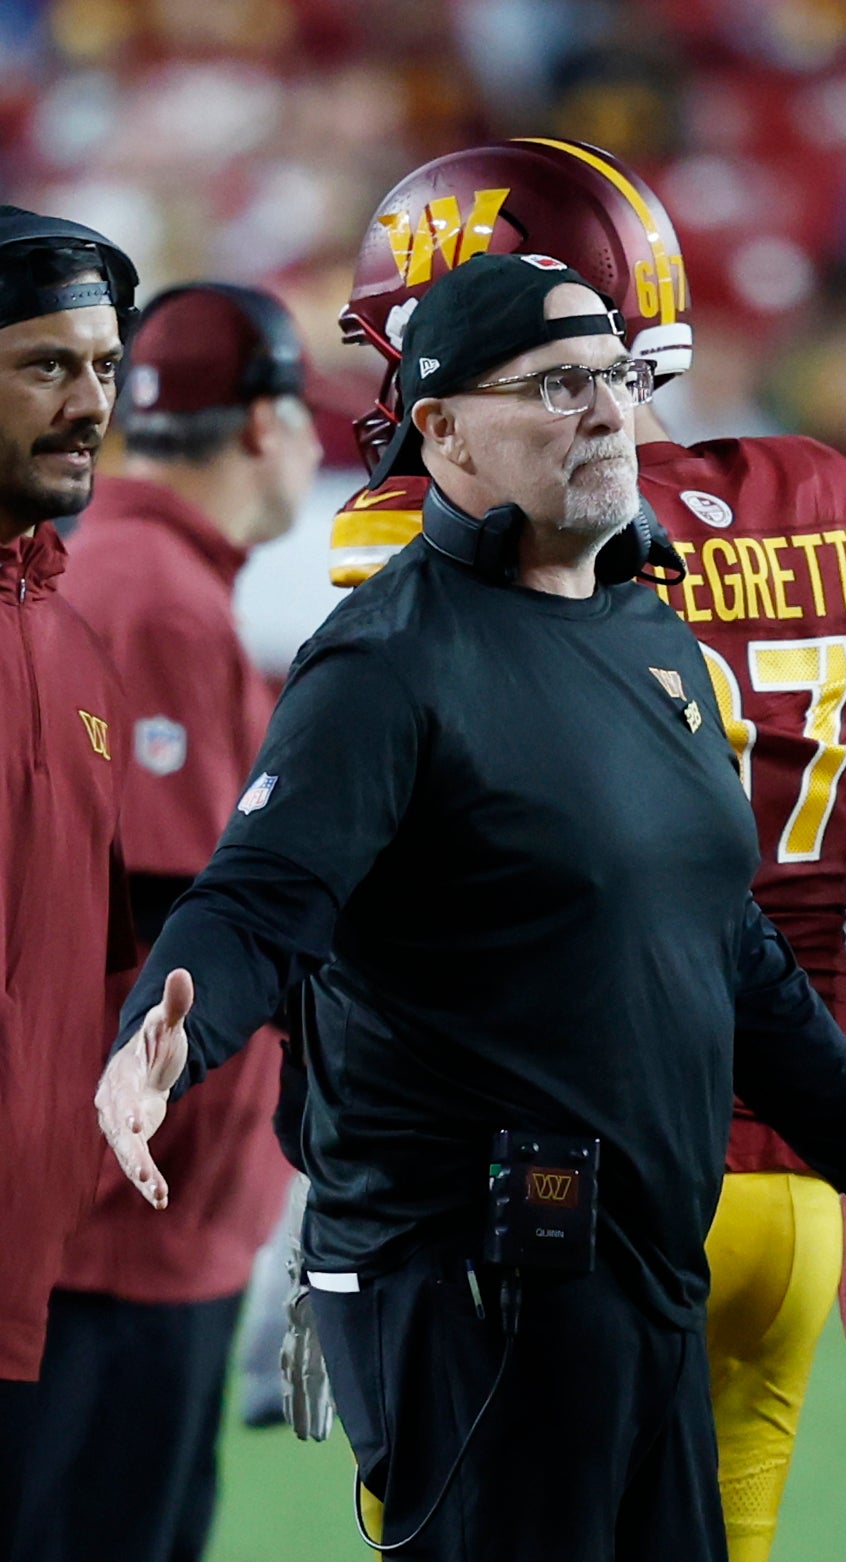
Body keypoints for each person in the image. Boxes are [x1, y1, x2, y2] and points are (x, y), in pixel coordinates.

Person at [90, 254, 846, 1562]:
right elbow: (259, 903)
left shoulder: (654, 643)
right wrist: (168, 1034)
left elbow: (743, 974)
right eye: (554, 383)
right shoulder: (385, 662)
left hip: (651, 1278)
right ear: (440, 430)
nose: (604, 409)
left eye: (612, 374)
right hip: (472, 1290)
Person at [325, 138, 846, 1559]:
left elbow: (357, 898)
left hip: (545, 1172)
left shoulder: (447, 535)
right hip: (786, 1187)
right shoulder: (825, 497)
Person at [10, 283, 318, 1562]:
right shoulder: (156, 596)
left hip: (149, 1227)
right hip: (117, 1240)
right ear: (266, 422)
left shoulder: (142, 577)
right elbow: (182, 921)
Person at [0, 205, 139, 1537]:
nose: (88, 401)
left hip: (33, 1278)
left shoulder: (76, 638)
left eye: (104, 367)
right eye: (46, 364)